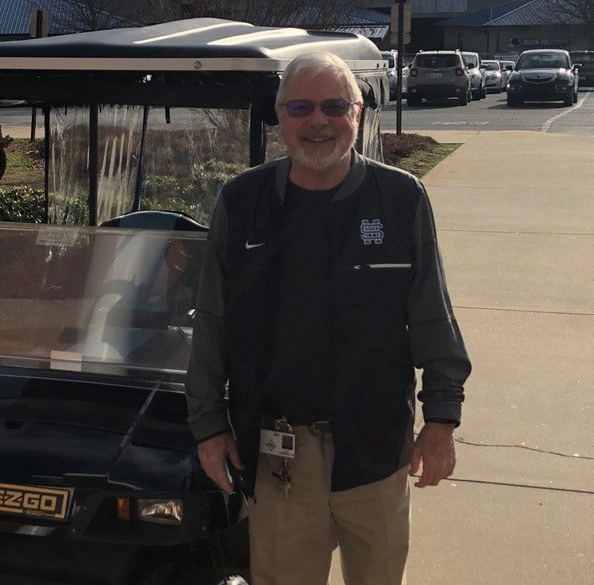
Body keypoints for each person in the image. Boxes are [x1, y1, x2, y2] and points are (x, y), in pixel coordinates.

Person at [185, 52, 471, 585]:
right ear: (280, 115)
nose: (318, 121)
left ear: (358, 113)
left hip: (377, 453)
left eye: (334, 106)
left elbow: (433, 314)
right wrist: (208, 424)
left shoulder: (401, 198)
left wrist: (442, 419)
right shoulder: (242, 201)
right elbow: (213, 324)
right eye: (301, 106)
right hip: (278, 461)